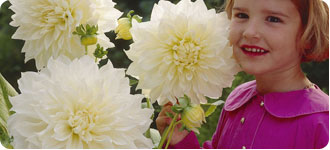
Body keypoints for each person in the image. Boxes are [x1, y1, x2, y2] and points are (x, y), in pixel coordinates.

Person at [156, 0, 329, 148]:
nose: (250, 32)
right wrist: (180, 142)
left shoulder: (321, 121)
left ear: (308, 35)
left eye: (273, 19)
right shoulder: (238, 98)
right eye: (242, 15)